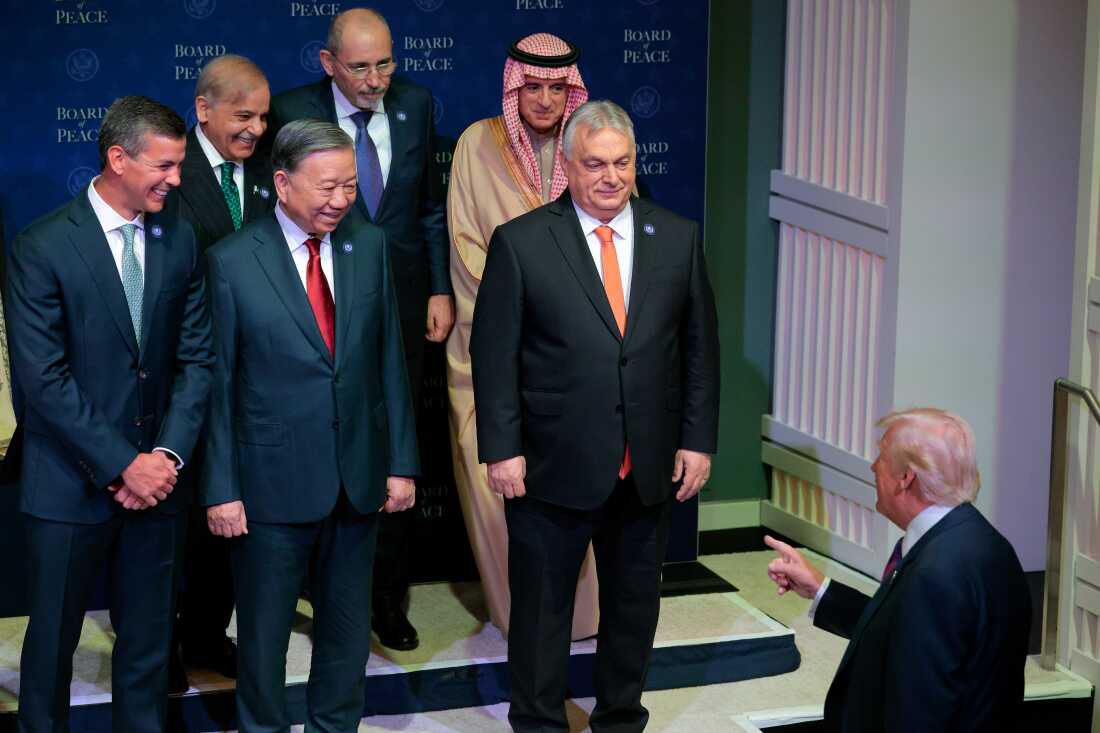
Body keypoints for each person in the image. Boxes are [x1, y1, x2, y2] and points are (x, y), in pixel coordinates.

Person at [470, 100, 720, 732]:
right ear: (570, 170)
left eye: (623, 163)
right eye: (595, 165)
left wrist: (696, 440)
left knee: (634, 610)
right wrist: (501, 449)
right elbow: (494, 355)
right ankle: (536, 722)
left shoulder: (677, 236)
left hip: (647, 466)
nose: (611, 177)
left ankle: (619, 721)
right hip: (551, 465)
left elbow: (698, 351)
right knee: (541, 613)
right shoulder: (522, 242)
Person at [201, 119, 419, 732]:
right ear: (281, 183)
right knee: (264, 641)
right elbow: (216, 388)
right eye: (326, 187)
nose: (340, 200)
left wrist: (400, 462)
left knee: (347, 636)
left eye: (349, 186)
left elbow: (389, 364)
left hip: (356, 478)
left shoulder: (368, 245)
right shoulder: (231, 262)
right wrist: (221, 488)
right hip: (268, 485)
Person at [7, 95, 214, 733]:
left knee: (150, 647)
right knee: (52, 645)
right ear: (118, 158)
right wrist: (125, 464)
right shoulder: (41, 245)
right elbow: (42, 381)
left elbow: (197, 361)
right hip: (68, 486)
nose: (177, 180)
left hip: (160, 486)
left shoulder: (180, 237)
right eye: (166, 166)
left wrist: (165, 458)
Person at [263, 7, 451, 650]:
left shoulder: (418, 104)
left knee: (395, 449)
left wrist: (438, 287)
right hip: (311, 306)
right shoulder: (288, 110)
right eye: (362, 67)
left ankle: (387, 599)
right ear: (328, 63)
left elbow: (429, 208)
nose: (376, 80)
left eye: (386, 63)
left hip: (397, 305)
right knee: (315, 447)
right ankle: (312, 588)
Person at [447, 31, 598, 640]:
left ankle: (584, 618)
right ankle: (521, 618)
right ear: (513, 86)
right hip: (494, 344)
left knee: (580, 479)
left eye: (555, 88)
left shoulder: (593, 148)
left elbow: (615, 239)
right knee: (497, 482)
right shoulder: (474, 144)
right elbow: (464, 244)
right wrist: (528, 304)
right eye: (530, 87)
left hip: (577, 350)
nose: (542, 100)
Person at [765, 408, 1031, 732]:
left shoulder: (936, 574)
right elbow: (906, 632)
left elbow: (918, 713)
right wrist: (820, 589)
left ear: (906, 478)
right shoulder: (978, 541)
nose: (873, 466)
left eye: (881, 455)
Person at [164, 52, 275, 688]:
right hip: (186, 374)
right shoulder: (170, 176)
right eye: (243, 116)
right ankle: (159, 649)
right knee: (174, 526)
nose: (257, 129)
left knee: (228, 526)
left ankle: (206, 636)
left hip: (256, 380)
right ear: (203, 110)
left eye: (262, 117)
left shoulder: (268, 173)